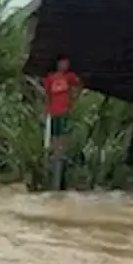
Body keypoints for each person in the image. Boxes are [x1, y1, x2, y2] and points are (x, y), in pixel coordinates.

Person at [45, 55, 82, 190]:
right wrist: (46, 109)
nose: (64, 66)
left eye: (67, 63)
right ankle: (55, 152)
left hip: (65, 109)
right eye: (62, 63)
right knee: (55, 132)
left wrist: (74, 99)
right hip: (54, 110)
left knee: (64, 132)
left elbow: (79, 84)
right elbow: (47, 94)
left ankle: (61, 152)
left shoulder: (69, 77)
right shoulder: (51, 78)